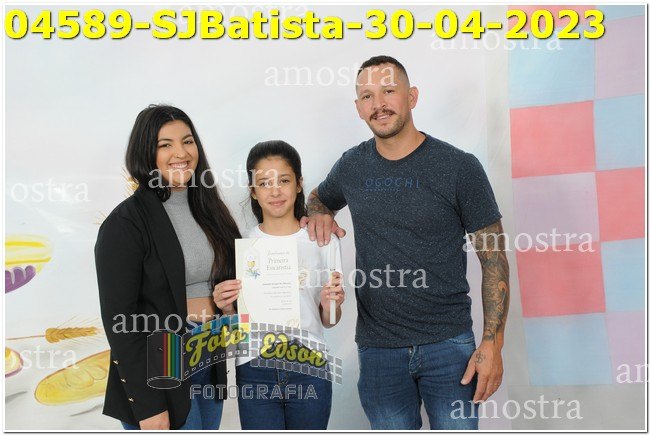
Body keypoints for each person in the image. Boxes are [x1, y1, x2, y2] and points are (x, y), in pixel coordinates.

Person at [303, 55, 510, 430]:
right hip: (378, 351)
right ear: (358, 108)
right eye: (367, 96)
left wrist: (492, 344)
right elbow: (319, 198)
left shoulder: (459, 167)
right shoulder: (351, 166)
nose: (378, 104)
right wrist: (319, 212)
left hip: (449, 346)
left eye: (388, 91)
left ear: (411, 96)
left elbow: (494, 260)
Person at [95, 105, 241, 430]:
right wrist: (149, 406)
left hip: (210, 350)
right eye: (165, 145)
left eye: (188, 141)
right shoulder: (125, 223)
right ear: (146, 153)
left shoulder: (210, 209)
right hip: (163, 355)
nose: (181, 153)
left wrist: (229, 304)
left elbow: (229, 282)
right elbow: (120, 322)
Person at [213, 140, 345, 430]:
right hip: (254, 368)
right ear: (253, 191)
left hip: (309, 365)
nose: (275, 191)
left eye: (284, 180)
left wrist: (330, 304)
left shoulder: (323, 240)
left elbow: (331, 320)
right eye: (264, 183)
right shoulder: (241, 245)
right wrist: (226, 309)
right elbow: (236, 330)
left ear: (299, 184)